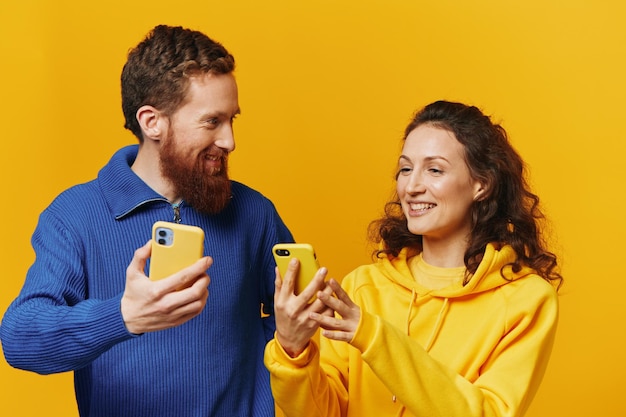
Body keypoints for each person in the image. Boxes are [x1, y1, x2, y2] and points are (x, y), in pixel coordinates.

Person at [0, 24, 293, 417]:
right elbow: (20, 340)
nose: (229, 141)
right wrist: (123, 317)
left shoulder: (254, 213)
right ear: (152, 122)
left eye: (231, 120)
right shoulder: (74, 216)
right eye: (212, 122)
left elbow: (297, 320)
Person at [264, 100, 562, 417]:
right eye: (406, 169)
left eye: (434, 170)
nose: (412, 187)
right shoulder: (363, 288)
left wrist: (373, 337)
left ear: (481, 184)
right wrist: (293, 350)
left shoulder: (525, 301)